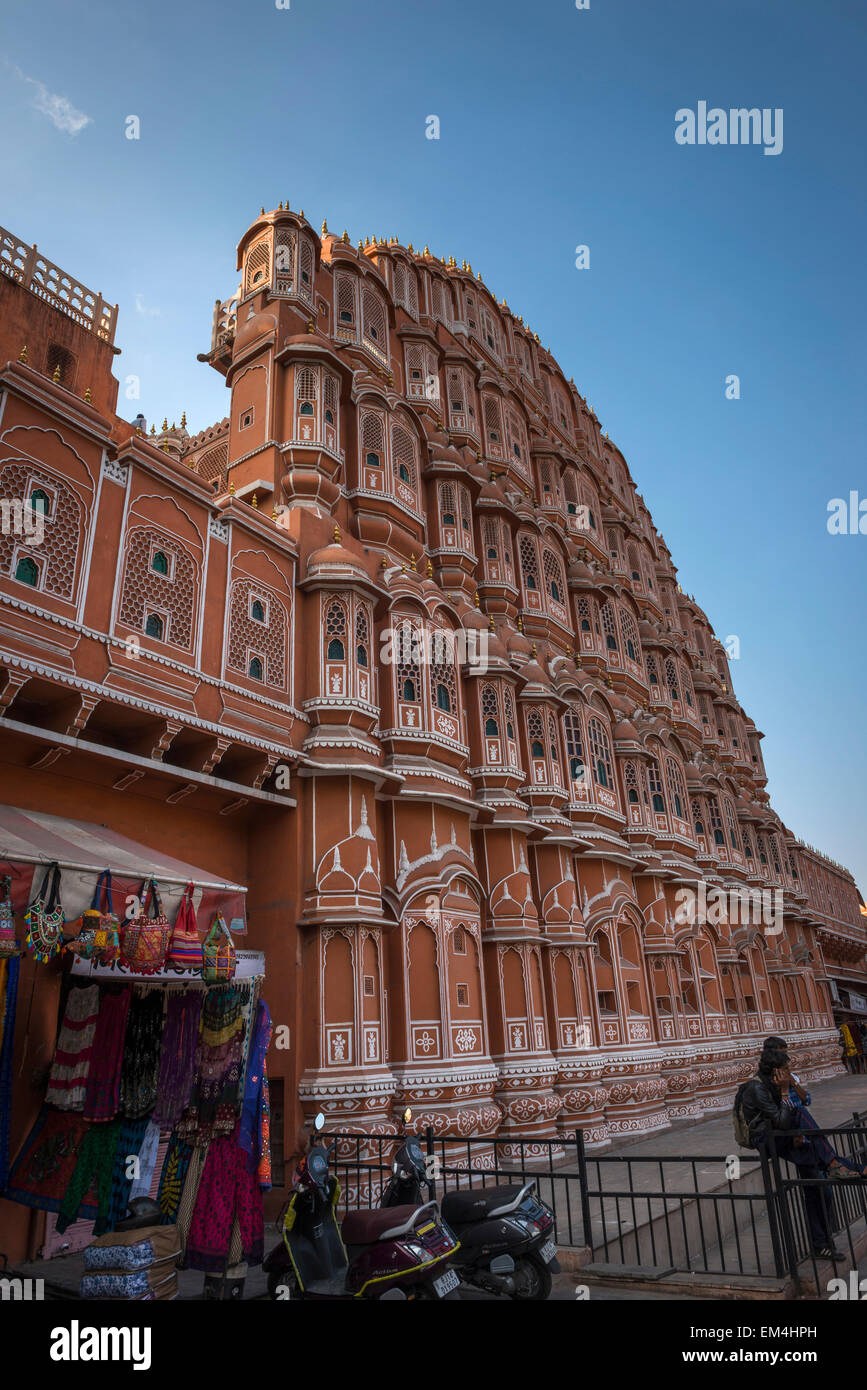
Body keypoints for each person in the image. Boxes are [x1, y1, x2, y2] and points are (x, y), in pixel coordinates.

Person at [742, 1044, 843, 1259]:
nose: (789, 1071)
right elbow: (781, 1120)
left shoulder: (779, 1083)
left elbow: (804, 1102)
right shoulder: (760, 1088)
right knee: (816, 1187)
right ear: (775, 1069)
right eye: (786, 1067)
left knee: (820, 1189)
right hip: (773, 1141)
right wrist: (785, 1091)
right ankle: (821, 1241)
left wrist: (791, 1088)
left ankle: (824, 1240)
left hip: (795, 1137)